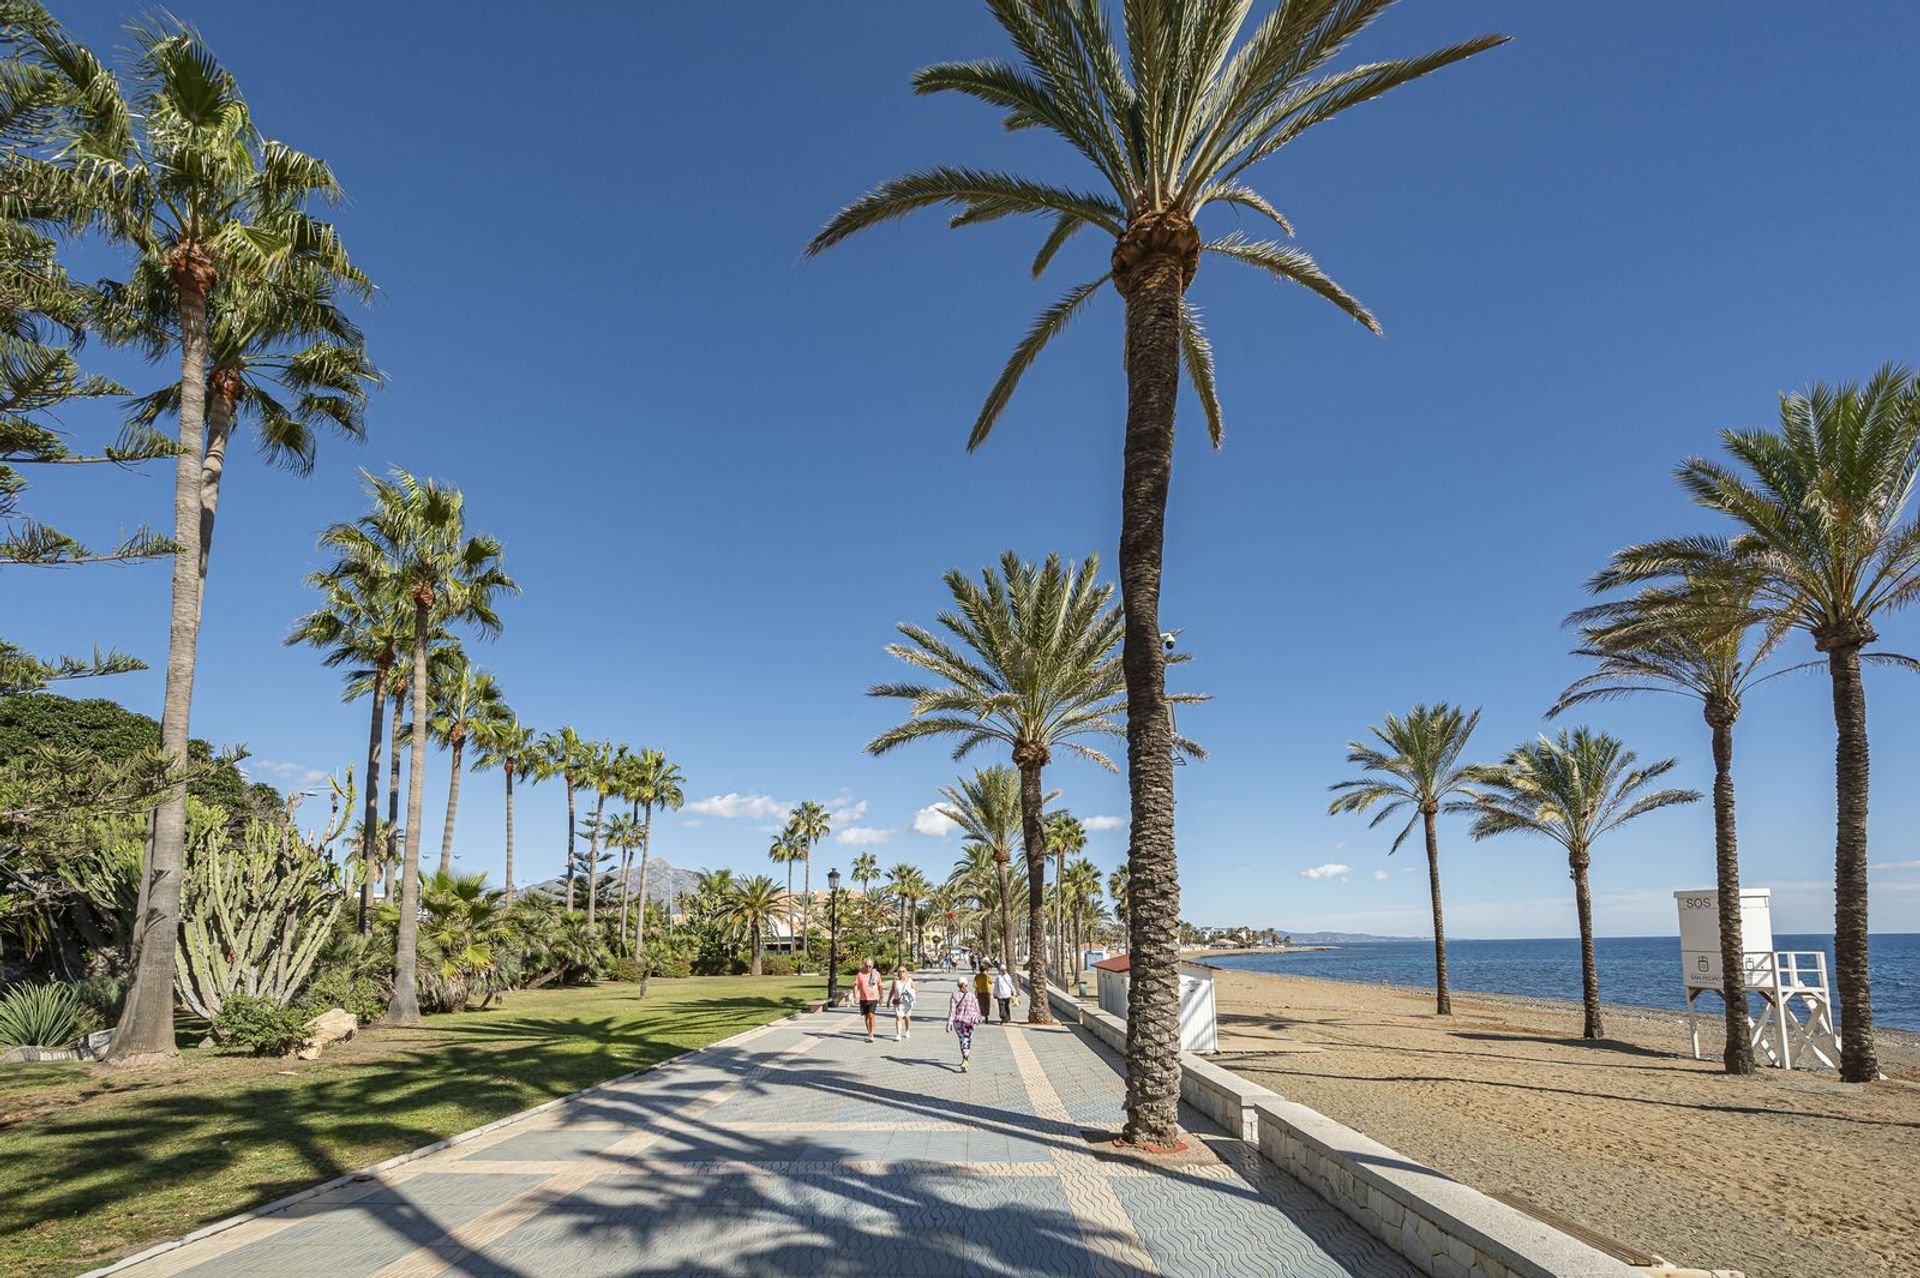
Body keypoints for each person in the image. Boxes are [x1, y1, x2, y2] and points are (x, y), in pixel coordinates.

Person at [945, 978, 982, 1071]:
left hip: (958, 1023)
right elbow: (977, 1009)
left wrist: (949, 1024)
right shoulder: (972, 996)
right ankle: (965, 1060)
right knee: (967, 1040)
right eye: (964, 985)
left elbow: (952, 1011)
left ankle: (964, 1059)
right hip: (969, 1023)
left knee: (962, 1041)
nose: (964, 987)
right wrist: (978, 1019)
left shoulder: (954, 995)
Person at [854, 957, 883, 1042]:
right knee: (866, 1016)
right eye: (866, 966)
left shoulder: (876, 974)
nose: (868, 968)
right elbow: (856, 985)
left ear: (873, 965)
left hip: (873, 998)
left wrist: (881, 996)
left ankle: (872, 1034)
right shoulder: (860, 974)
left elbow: (880, 986)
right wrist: (855, 995)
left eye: (870, 966)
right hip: (864, 998)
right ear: (864, 965)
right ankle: (869, 1032)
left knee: (871, 1015)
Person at [886, 966, 917, 1041]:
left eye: (903, 971)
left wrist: (913, 991)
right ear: (898, 973)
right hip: (898, 1002)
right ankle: (898, 1034)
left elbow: (915, 989)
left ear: (906, 972)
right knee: (898, 1017)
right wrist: (888, 1000)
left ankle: (907, 1030)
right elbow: (892, 991)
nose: (902, 973)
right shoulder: (895, 981)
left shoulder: (909, 980)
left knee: (907, 1017)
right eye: (900, 971)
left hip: (907, 1003)